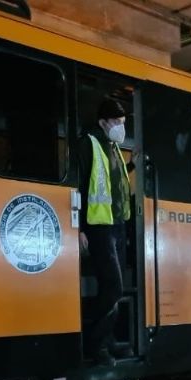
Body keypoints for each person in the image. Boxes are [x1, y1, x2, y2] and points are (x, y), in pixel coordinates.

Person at [78, 99, 135, 365]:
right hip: (98, 225)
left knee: (113, 288)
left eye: (123, 124)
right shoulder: (89, 143)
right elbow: (79, 183)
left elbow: (116, 185)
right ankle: (93, 343)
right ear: (103, 122)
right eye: (117, 123)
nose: (121, 128)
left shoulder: (113, 148)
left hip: (116, 225)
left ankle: (107, 340)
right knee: (113, 287)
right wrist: (79, 226)